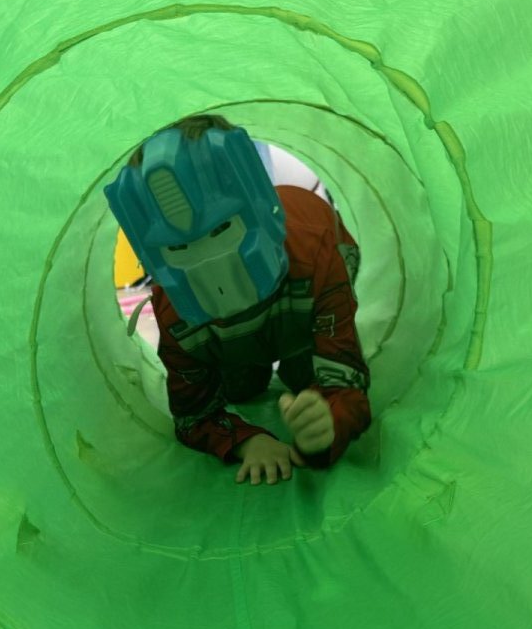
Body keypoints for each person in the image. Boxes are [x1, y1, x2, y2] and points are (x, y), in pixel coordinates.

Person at [103, 114, 371, 485]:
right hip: (264, 312)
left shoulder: (317, 252)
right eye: (180, 248)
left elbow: (346, 379)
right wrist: (247, 441)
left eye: (221, 230)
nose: (209, 264)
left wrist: (329, 423)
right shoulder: (176, 310)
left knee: (306, 380)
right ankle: (260, 363)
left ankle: (294, 361)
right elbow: (193, 413)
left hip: (303, 287)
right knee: (242, 388)